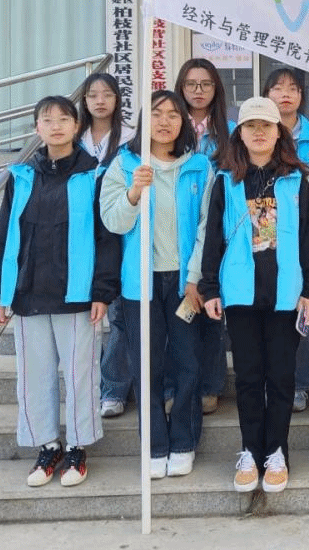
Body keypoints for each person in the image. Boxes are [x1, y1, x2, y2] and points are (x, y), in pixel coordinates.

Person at [0, 96, 120, 488]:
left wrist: (102, 291)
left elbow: (106, 237)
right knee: (34, 375)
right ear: (36, 128)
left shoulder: (94, 175)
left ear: (77, 126)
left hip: (77, 294)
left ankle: (77, 447)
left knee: (80, 374)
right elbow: (4, 235)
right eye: (47, 119)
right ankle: (48, 446)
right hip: (29, 293)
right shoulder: (22, 177)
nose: (56, 126)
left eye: (63, 119)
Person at [199, 97, 309, 494]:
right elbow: (213, 236)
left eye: (266, 126)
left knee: (282, 377)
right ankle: (251, 452)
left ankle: (277, 453)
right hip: (240, 293)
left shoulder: (296, 179)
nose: (258, 132)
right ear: (240, 134)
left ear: (278, 132)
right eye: (250, 126)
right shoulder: (225, 180)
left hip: (286, 293)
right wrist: (209, 287)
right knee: (249, 377)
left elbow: (308, 236)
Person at [100, 90, 212, 480]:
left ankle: (183, 441)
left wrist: (195, 278)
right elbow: (113, 222)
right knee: (147, 365)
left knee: (187, 364)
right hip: (140, 283)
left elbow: (207, 227)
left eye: (173, 115)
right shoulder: (125, 164)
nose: (165, 122)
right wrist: (133, 192)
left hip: (184, 283)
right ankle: (155, 444)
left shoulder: (199, 166)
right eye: (157, 114)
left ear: (184, 122)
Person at [263, 66, 309, 413]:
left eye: (292, 88)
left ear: (302, 96)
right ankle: (271, 380)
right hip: (265, 229)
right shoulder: (256, 132)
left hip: (308, 228)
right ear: (266, 95)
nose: (285, 94)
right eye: (277, 88)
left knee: (302, 301)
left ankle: (300, 382)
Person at [174, 58, 233, 415]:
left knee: (211, 308)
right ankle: (179, 385)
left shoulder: (230, 131)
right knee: (178, 316)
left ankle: (211, 385)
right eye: (191, 84)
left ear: (216, 89)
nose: (198, 91)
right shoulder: (169, 124)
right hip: (177, 228)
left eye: (206, 84)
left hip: (218, 229)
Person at [77, 72, 136, 420]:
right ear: (84, 101)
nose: (100, 101)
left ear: (117, 99)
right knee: (84, 318)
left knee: (119, 316)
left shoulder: (130, 139)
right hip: (81, 234)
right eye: (92, 95)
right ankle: (93, 387)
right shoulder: (74, 137)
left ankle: (113, 389)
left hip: (119, 233)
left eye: (107, 94)